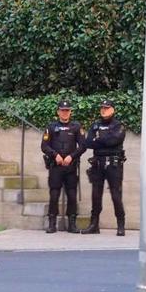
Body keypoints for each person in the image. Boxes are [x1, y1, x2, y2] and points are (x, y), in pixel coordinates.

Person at [40, 100, 86, 233]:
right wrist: (55, 155)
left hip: (71, 167)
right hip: (56, 167)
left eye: (67, 110)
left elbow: (83, 146)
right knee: (54, 195)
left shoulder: (76, 127)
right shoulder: (51, 126)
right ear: (58, 112)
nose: (65, 113)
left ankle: (72, 224)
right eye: (62, 110)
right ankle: (52, 223)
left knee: (72, 195)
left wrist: (72, 156)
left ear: (70, 112)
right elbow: (44, 146)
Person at [82, 99, 127, 236]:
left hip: (113, 164)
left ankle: (120, 225)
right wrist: (104, 140)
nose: (104, 110)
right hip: (98, 163)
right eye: (102, 108)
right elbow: (88, 142)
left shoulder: (118, 125)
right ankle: (94, 225)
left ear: (112, 110)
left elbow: (115, 140)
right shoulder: (95, 125)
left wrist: (99, 140)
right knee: (96, 195)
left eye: (107, 108)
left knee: (116, 195)